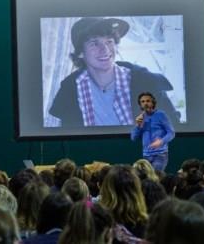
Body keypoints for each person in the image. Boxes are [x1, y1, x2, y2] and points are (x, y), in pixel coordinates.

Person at [49, 17, 180, 127]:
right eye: (94, 43)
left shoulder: (145, 81)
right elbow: (69, 140)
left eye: (109, 41)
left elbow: (173, 126)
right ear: (81, 53)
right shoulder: (70, 89)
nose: (105, 49)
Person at [130, 92, 175, 171]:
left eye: (148, 101)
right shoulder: (141, 118)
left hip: (160, 154)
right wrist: (138, 125)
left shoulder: (161, 114)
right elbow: (133, 138)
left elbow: (171, 133)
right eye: (142, 102)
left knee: (155, 177)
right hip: (146, 155)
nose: (145, 103)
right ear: (140, 105)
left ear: (153, 102)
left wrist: (161, 141)